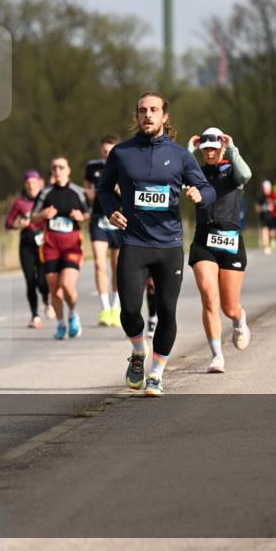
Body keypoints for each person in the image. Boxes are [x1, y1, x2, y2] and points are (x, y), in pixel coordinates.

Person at [97, 91, 215, 397]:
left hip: (169, 245)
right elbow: (103, 189)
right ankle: (139, 351)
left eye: (153, 110)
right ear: (137, 116)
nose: (147, 115)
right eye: (142, 110)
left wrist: (200, 195)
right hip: (134, 241)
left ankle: (156, 374)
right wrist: (111, 210)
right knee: (129, 310)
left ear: (164, 116)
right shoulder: (121, 153)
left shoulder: (181, 155)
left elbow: (207, 188)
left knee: (166, 311)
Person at [186, 128, 253, 373]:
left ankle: (239, 320)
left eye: (214, 148)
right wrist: (189, 149)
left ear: (222, 148)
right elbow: (178, 175)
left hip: (230, 240)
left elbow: (246, 174)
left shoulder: (233, 171)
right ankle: (216, 356)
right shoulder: (198, 174)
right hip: (204, 239)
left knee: (229, 307)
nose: (210, 153)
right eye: (205, 149)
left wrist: (232, 148)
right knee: (208, 296)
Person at [31, 157, 88, 340]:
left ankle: (73, 314)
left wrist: (81, 216)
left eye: (61, 167)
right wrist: (43, 214)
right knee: (55, 289)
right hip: (51, 245)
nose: (57, 170)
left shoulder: (78, 192)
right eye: (54, 167)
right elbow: (33, 217)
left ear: (68, 170)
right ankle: (61, 323)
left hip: (72, 244)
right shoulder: (45, 193)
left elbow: (88, 213)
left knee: (67, 285)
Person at [84, 135, 124, 328]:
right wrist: (90, 193)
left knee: (117, 266)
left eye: (110, 151)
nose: (107, 154)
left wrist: (117, 189)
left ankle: (116, 308)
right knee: (99, 264)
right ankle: (105, 309)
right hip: (99, 220)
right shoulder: (92, 167)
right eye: (104, 151)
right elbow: (88, 189)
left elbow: (132, 193)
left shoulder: (126, 166)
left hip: (119, 221)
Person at [4, 170, 50, 328]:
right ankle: (35, 315)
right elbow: (8, 223)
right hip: (26, 243)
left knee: (42, 280)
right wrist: (19, 225)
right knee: (30, 281)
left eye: (34, 182)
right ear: (25, 185)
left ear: (40, 183)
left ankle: (47, 301)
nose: (31, 185)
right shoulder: (20, 203)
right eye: (28, 183)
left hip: (44, 243)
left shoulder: (46, 200)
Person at [255, 180, 273, 255]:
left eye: (267, 188)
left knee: (272, 233)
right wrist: (263, 208)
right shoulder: (260, 197)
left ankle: (272, 242)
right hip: (263, 218)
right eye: (264, 188)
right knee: (264, 232)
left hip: (272, 218)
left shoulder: (273, 196)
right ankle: (266, 247)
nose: (266, 190)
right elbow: (257, 209)